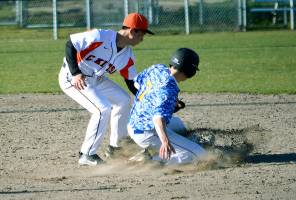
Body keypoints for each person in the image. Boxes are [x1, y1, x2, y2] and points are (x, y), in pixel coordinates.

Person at [58, 13, 154, 166]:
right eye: (142, 34)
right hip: (73, 77)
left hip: (96, 79)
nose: (142, 39)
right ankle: (87, 154)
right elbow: (71, 44)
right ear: (133, 31)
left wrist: (149, 99)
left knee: (122, 100)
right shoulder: (100, 36)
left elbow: (131, 82)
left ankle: (116, 147)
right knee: (102, 109)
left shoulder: (127, 55)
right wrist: (76, 73)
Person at [127, 48, 207, 165]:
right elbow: (157, 118)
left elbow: (136, 83)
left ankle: (175, 146)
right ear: (189, 71)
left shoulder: (157, 68)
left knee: (179, 126)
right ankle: (150, 160)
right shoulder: (168, 90)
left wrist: (162, 103)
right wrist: (165, 141)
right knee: (200, 155)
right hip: (148, 132)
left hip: (134, 123)